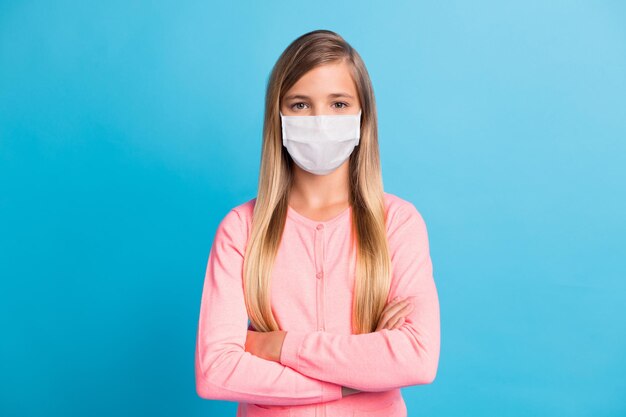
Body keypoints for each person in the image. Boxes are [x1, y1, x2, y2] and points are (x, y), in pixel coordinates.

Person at [194, 29, 440, 417]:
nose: (321, 121)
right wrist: (355, 377)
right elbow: (216, 372)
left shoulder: (398, 224)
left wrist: (280, 347)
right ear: (278, 116)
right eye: (301, 105)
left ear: (363, 117)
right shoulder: (241, 229)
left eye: (339, 104)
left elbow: (417, 358)